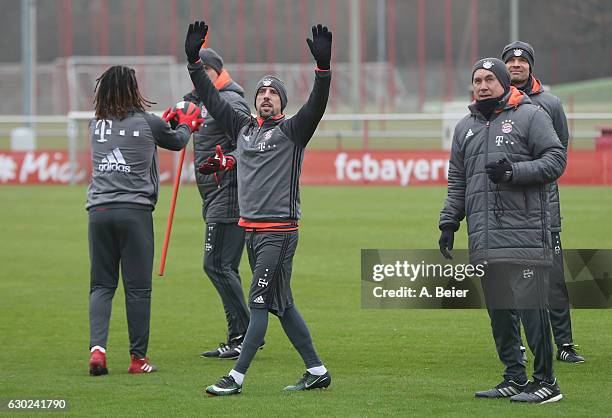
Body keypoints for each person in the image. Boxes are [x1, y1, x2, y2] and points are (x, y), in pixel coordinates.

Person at [183, 20, 332, 396]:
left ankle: (236, 377)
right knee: (283, 304)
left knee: (260, 303)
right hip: (252, 229)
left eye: (273, 93)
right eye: (262, 92)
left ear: (283, 102)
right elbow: (212, 99)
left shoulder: (293, 131)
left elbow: (317, 104)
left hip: (278, 232)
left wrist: (323, 71)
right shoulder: (243, 128)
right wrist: (193, 62)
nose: (266, 96)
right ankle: (317, 370)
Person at [438, 58, 567, 403]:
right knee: (499, 311)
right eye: (477, 80)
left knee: (530, 308)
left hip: (523, 234)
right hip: (484, 236)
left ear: (503, 83)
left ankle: (546, 382)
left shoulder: (531, 115)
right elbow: (458, 181)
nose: (482, 85)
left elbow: (556, 159)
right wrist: (449, 222)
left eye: (489, 80)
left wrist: (514, 172)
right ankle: (513, 376)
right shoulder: (464, 126)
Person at [87, 65, 202, 376]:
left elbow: (133, 134)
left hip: (98, 212)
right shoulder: (148, 123)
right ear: (132, 89)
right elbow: (177, 140)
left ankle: (97, 350)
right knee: (137, 289)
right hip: (134, 213)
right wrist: (188, 124)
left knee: (101, 285)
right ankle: (138, 359)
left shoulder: (94, 125)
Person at [501, 41, 584, 364]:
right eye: (511, 61)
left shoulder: (550, 104)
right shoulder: (495, 102)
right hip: (507, 209)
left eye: (522, 61)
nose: (517, 65)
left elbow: (558, 150)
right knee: (512, 281)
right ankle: (520, 344)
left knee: (554, 281)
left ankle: (564, 344)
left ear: (531, 66)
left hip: (544, 207)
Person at [180, 47, 253, 360]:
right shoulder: (206, 99)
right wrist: (183, 112)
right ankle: (239, 335)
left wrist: (228, 162)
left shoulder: (231, 100)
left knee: (216, 265)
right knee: (225, 268)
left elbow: (247, 142)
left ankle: (246, 334)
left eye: (202, 75)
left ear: (215, 72)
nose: (198, 83)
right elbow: (194, 109)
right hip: (215, 193)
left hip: (230, 193)